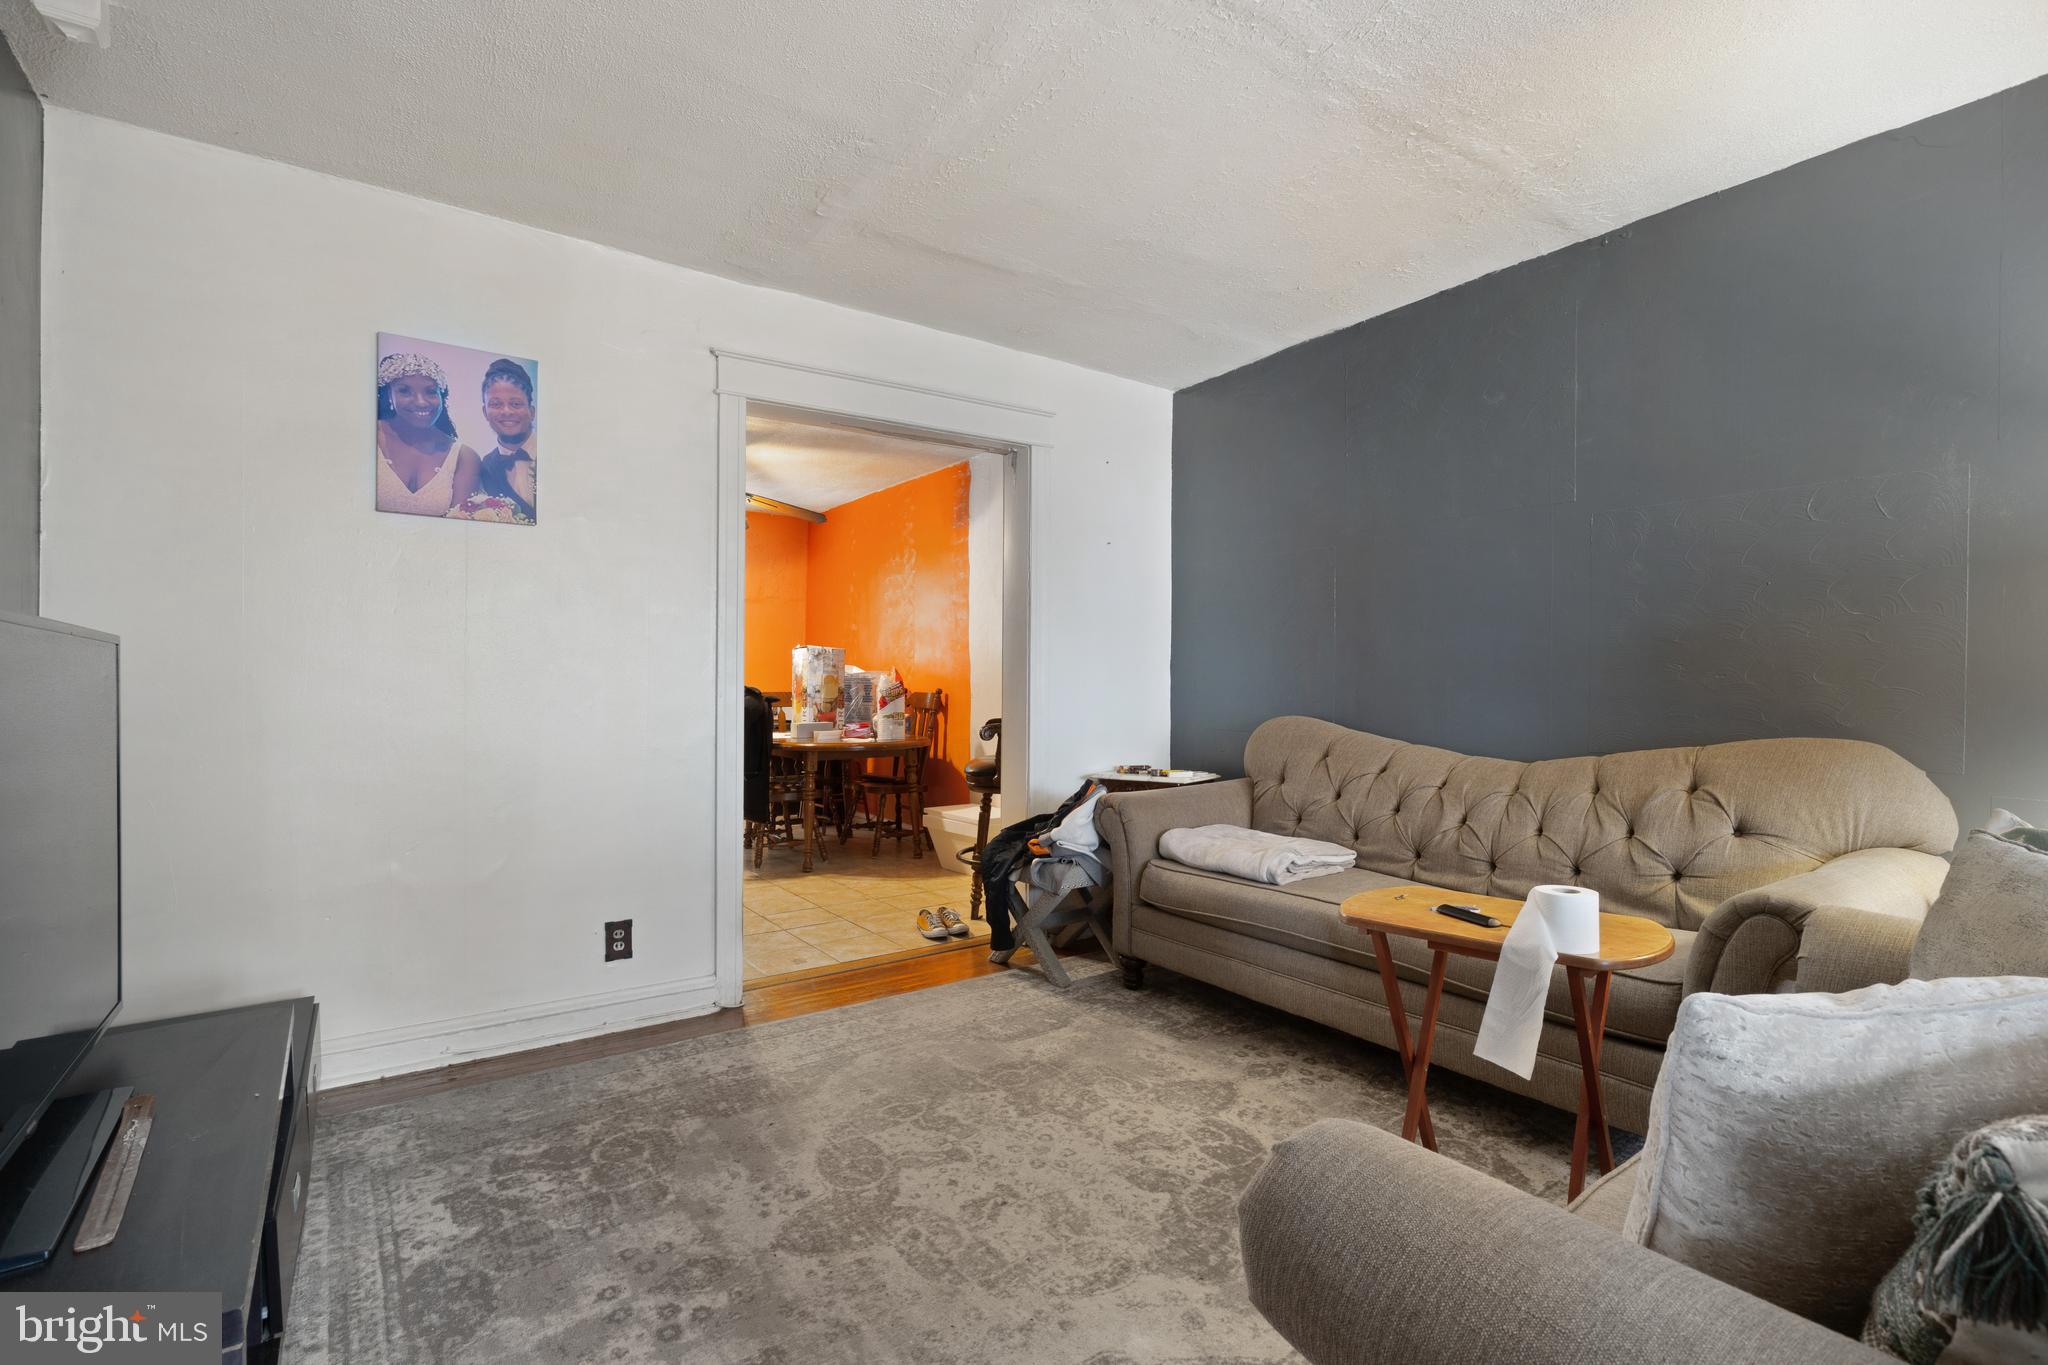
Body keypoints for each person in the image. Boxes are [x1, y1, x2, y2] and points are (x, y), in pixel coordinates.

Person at [375, 353, 481, 517]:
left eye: (430, 392)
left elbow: (461, 528)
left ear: (442, 396)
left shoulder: (463, 457)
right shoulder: (368, 437)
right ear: (389, 394)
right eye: (405, 391)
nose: (421, 402)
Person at [454, 358, 537, 524]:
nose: (506, 411)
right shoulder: (485, 466)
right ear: (485, 412)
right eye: (496, 404)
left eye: (515, 404)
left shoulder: (557, 454)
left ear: (532, 411)